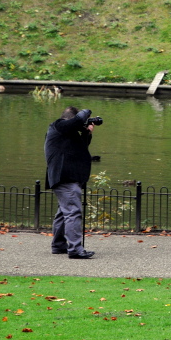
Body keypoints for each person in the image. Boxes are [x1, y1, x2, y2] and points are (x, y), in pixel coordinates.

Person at [45, 106, 96, 259]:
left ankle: (59, 245)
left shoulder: (67, 133)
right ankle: (75, 249)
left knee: (64, 213)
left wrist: (87, 132)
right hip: (65, 177)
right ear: (72, 119)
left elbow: (80, 149)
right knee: (73, 212)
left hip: (68, 177)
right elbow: (77, 120)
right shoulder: (58, 125)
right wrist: (87, 112)